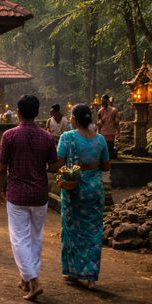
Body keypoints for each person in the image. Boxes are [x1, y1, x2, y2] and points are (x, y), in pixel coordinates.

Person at [0, 94, 60, 302]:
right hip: (39, 193)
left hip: (17, 193)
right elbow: (53, 167)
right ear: (37, 112)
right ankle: (26, 278)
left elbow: (1, 167)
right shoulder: (47, 137)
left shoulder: (9, 135)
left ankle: (34, 281)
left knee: (19, 238)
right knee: (35, 237)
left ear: (19, 113)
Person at [58, 104, 110, 290]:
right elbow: (106, 166)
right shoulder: (100, 139)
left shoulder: (67, 138)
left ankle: (73, 272)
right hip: (94, 190)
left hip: (74, 189)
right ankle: (91, 277)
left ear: (73, 119)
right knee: (93, 231)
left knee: (72, 230)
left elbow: (59, 162)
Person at [96, 94, 120, 160]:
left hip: (111, 133)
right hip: (103, 134)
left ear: (108, 101)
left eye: (104, 101)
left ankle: (108, 163)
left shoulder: (114, 110)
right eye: (102, 101)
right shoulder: (100, 111)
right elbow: (99, 124)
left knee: (109, 150)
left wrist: (118, 132)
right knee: (103, 150)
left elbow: (117, 123)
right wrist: (98, 133)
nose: (102, 102)